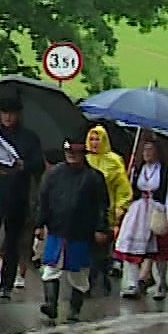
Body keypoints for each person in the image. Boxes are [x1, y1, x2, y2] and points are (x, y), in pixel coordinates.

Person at [35, 135, 111, 323]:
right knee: (51, 268)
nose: (72, 156)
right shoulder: (54, 175)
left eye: (76, 153)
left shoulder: (94, 178)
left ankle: (74, 310)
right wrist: (39, 223)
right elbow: (43, 200)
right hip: (57, 230)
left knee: (79, 275)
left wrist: (101, 228)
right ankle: (51, 305)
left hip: (81, 234)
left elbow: (102, 206)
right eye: (69, 152)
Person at [0, 96, 44, 299]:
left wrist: (24, 166)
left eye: (11, 113)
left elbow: (38, 165)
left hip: (18, 193)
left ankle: (7, 282)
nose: (8, 117)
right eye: (4, 113)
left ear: (18, 114)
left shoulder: (29, 138)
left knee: (12, 240)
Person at [114, 139, 168, 300]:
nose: (147, 153)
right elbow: (129, 190)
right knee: (131, 247)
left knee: (159, 251)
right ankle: (132, 283)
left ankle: (161, 283)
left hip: (157, 210)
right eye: (145, 150)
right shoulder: (137, 169)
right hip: (138, 211)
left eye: (150, 149)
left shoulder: (166, 171)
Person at [83, 126, 132, 296]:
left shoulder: (114, 161)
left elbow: (123, 187)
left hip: (106, 212)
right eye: (92, 139)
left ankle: (101, 277)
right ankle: (87, 281)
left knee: (101, 249)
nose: (94, 143)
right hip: (84, 211)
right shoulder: (84, 159)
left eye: (98, 139)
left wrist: (121, 206)